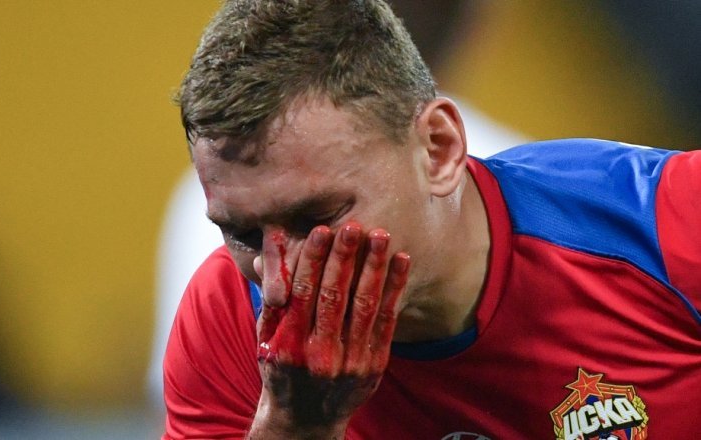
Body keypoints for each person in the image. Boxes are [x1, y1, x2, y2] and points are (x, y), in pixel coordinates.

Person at [162, 1, 701, 439]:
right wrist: (294, 428)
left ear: (439, 150)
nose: (280, 277)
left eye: (318, 218)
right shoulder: (229, 317)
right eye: (244, 234)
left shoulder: (665, 224)